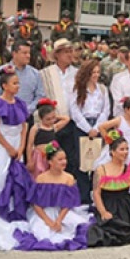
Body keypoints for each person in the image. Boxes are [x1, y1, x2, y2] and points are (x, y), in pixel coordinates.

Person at [14, 142, 93, 251]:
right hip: (43, 213)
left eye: (65, 159)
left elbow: (68, 203)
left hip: (61, 212)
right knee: (41, 233)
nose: (64, 162)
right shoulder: (41, 179)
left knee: (79, 227)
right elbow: (36, 204)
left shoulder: (68, 178)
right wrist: (48, 220)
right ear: (50, 162)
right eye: (60, 160)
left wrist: (59, 220)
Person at [0, 68, 29, 198]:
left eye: (18, 83)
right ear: (4, 86)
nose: (17, 86)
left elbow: (24, 126)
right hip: (1, 142)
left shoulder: (20, 103)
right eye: (14, 83)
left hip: (17, 140)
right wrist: (8, 147)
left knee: (17, 173)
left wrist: (21, 147)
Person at [68, 59, 110, 203]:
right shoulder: (78, 89)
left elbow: (106, 110)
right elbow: (75, 111)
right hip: (82, 126)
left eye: (98, 72)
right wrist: (87, 128)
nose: (96, 75)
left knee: (97, 161)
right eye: (93, 73)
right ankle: (84, 195)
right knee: (82, 162)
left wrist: (97, 127)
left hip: (98, 124)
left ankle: (95, 194)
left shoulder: (103, 89)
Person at [40, 38, 79, 184]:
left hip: (72, 121)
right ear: (57, 55)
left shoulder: (77, 73)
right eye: (65, 52)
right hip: (52, 122)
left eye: (71, 51)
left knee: (70, 158)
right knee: (51, 156)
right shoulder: (45, 73)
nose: (69, 55)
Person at [96, 97, 130, 189]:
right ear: (126, 110)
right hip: (119, 149)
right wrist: (109, 140)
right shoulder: (119, 120)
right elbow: (102, 127)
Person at [0, 41, 44, 114]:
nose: (28, 56)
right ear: (14, 54)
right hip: (6, 116)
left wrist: (27, 110)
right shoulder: (1, 72)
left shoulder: (35, 74)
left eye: (29, 53)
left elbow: (40, 96)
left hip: (28, 116)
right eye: (24, 53)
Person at [26, 100, 71, 178]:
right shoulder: (36, 128)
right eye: (48, 119)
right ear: (41, 118)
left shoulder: (54, 127)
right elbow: (30, 145)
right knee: (39, 175)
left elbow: (67, 119)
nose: (51, 121)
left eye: (53, 118)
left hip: (51, 155)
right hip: (39, 156)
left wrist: (55, 116)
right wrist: (29, 160)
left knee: (52, 175)